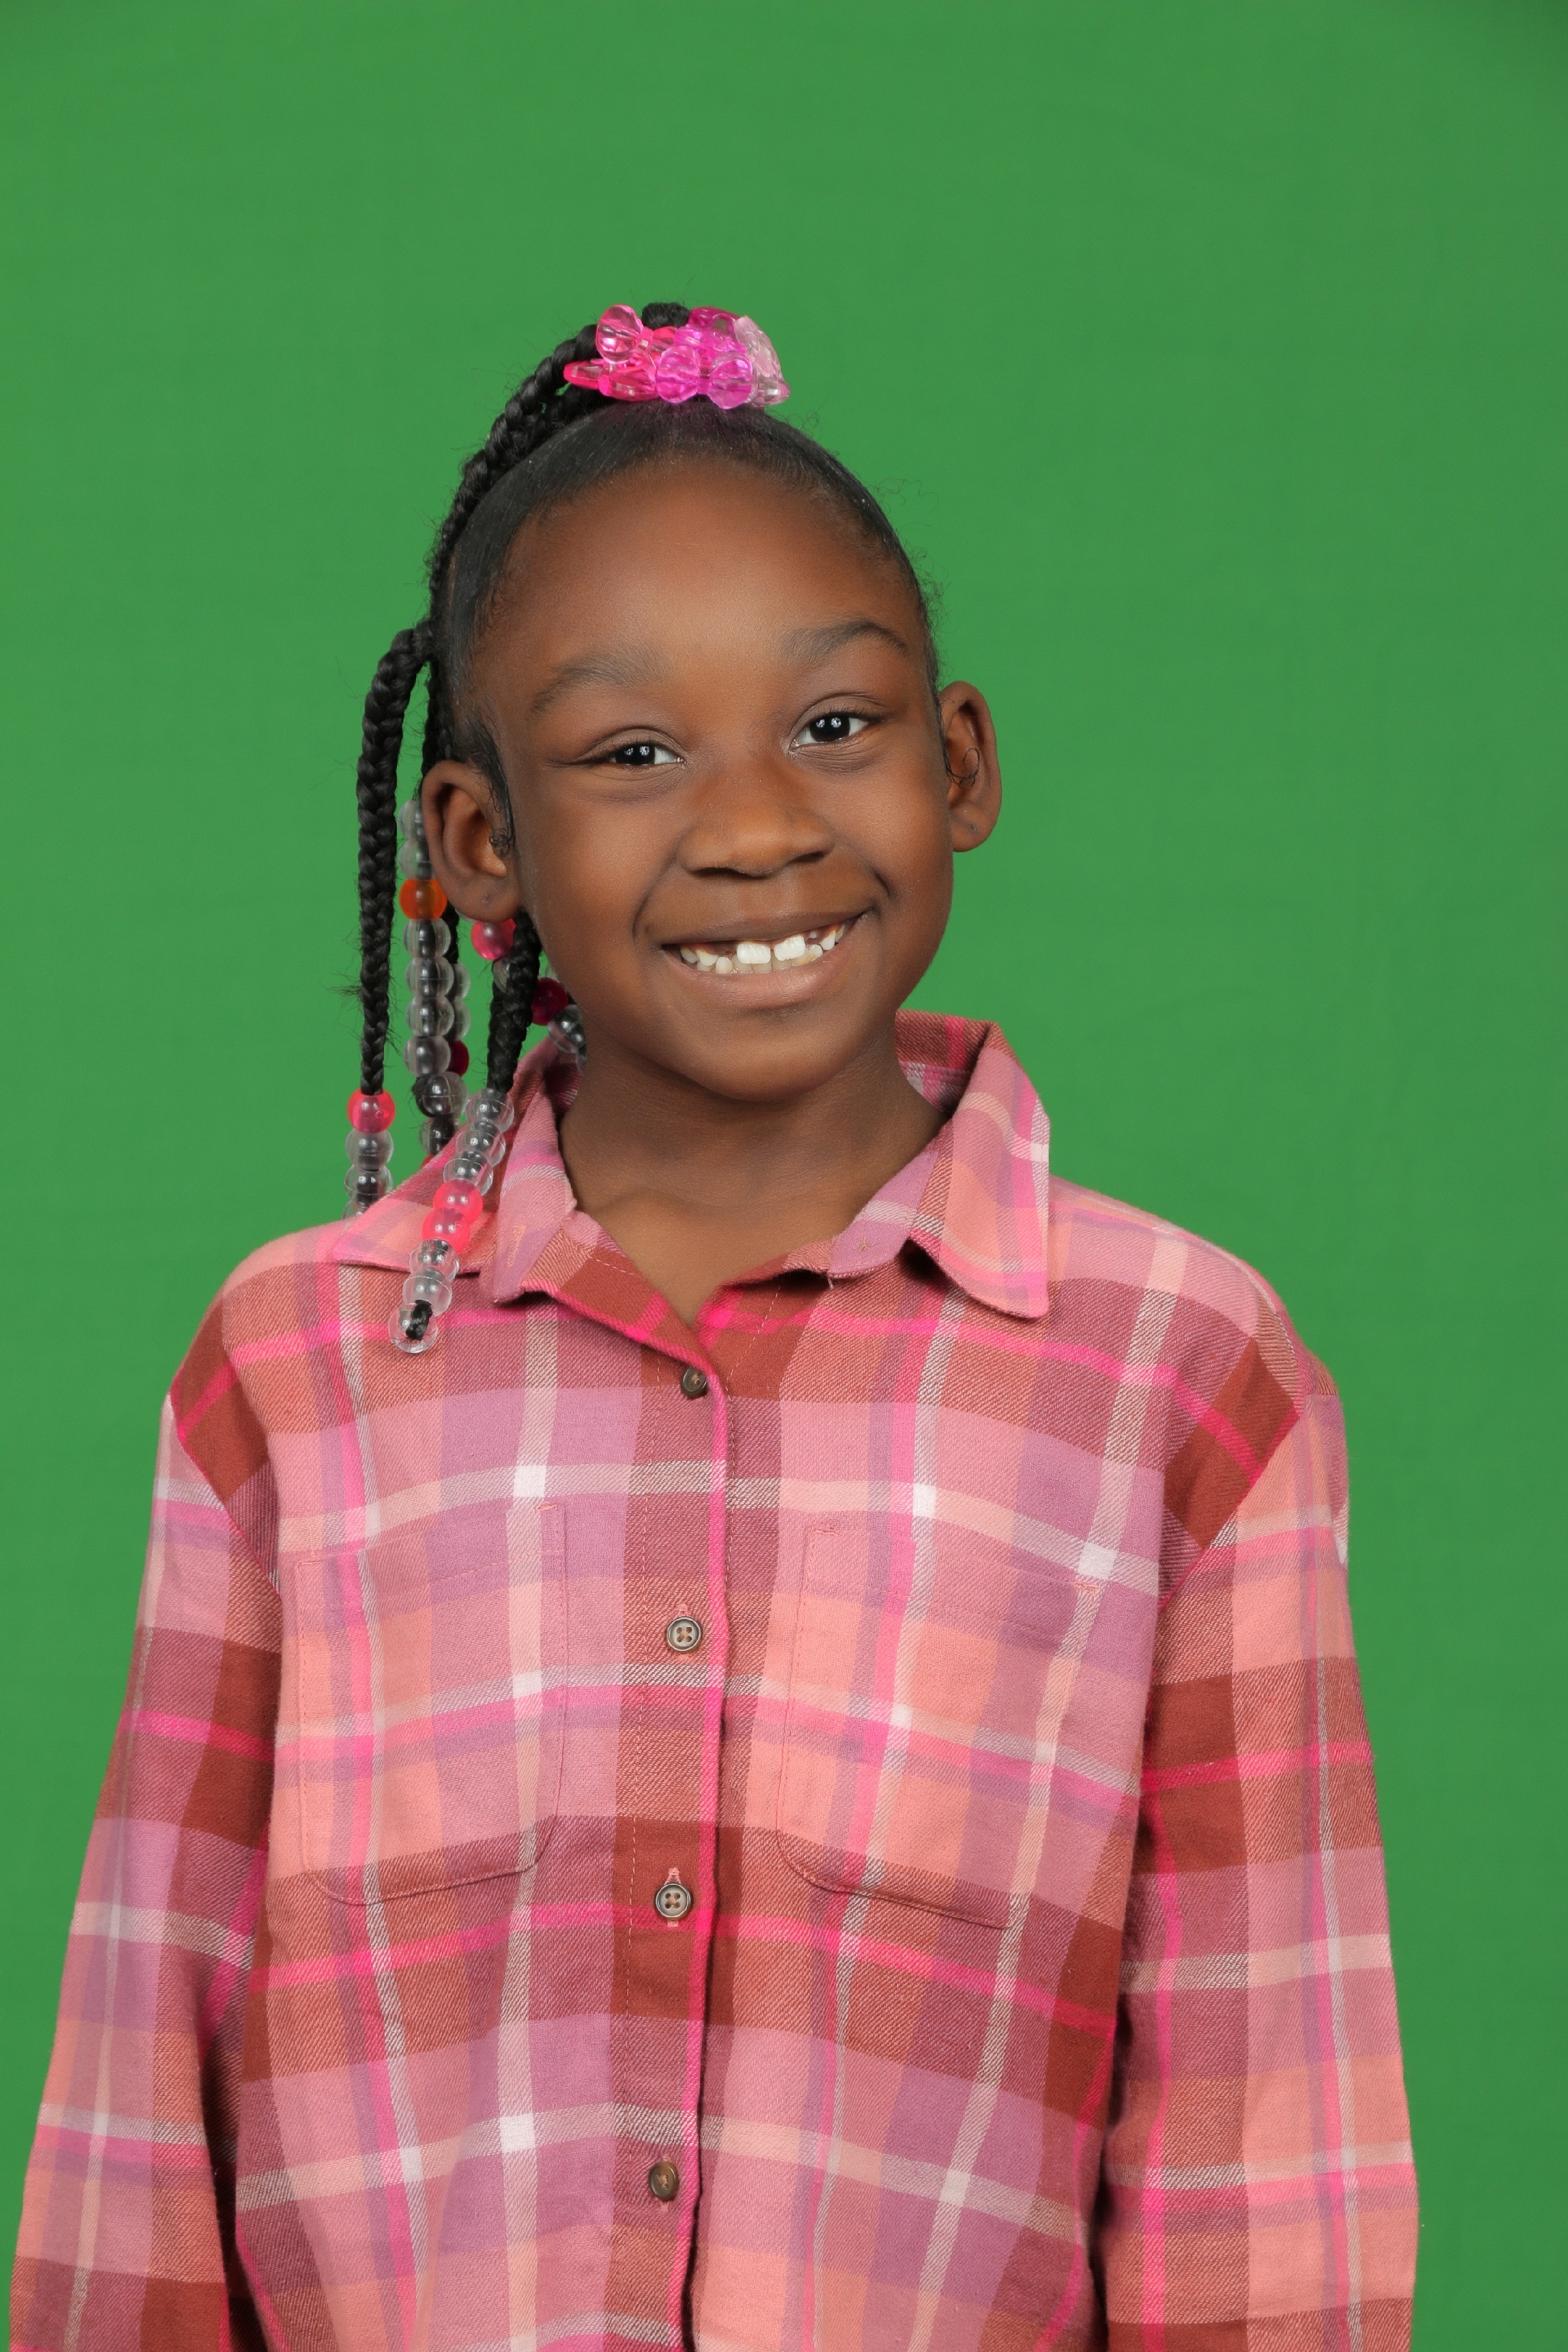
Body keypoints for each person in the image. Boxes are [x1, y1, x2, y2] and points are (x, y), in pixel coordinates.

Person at [12, 302, 1417, 2351]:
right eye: (632, 753)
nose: (757, 823)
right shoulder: (301, 1366)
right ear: (479, 847)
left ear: (961, 762)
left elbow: (1261, 2138)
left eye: (834, 725)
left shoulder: (1184, 1377)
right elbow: (144, 2083)